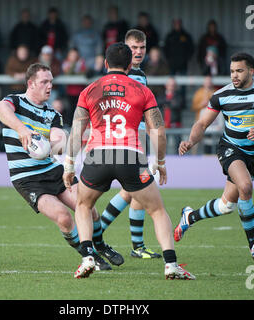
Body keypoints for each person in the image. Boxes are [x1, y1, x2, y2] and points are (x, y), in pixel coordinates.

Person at [62, 42, 195, 280]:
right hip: (129, 155)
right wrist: (160, 161)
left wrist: (69, 163)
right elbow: (158, 130)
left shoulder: (89, 90)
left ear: (105, 64)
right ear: (129, 65)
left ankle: (88, 257)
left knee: (83, 205)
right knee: (156, 210)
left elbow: (76, 131)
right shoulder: (142, 90)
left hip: (98, 155)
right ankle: (171, 265)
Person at [0, 63, 123, 271]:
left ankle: (100, 246)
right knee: (63, 218)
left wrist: (52, 146)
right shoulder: (15, 102)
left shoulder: (52, 113)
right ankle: (88, 255)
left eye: (51, 82)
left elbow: (60, 141)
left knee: (90, 210)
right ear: (31, 83)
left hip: (54, 171)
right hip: (27, 179)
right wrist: (22, 130)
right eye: (44, 81)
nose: (49, 86)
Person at [175, 52, 254, 264]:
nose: (234, 75)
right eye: (232, 71)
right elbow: (201, 124)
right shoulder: (221, 96)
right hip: (230, 148)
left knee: (227, 205)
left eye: (239, 71)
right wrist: (191, 141)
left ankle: (189, 217)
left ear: (251, 71)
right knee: (245, 186)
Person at [99, 29, 161, 259]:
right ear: (125, 49)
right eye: (133, 48)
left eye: (142, 48)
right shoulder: (121, 76)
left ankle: (135, 245)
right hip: (127, 138)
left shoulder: (141, 74)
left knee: (133, 193)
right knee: (133, 191)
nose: (138, 52)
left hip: (138, 137)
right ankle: (100, 235)